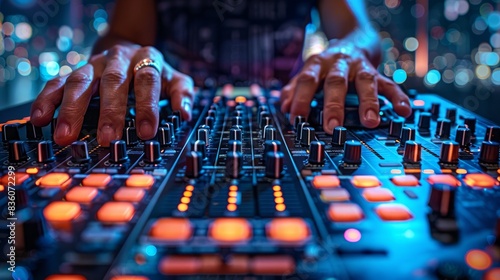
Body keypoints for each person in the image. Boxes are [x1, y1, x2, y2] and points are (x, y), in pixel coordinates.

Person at [29, 0, 412, 147]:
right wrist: (128, 54)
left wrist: (350, 50)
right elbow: (125, 36)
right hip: (174, 108)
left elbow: (358, 31)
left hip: (283, 107)